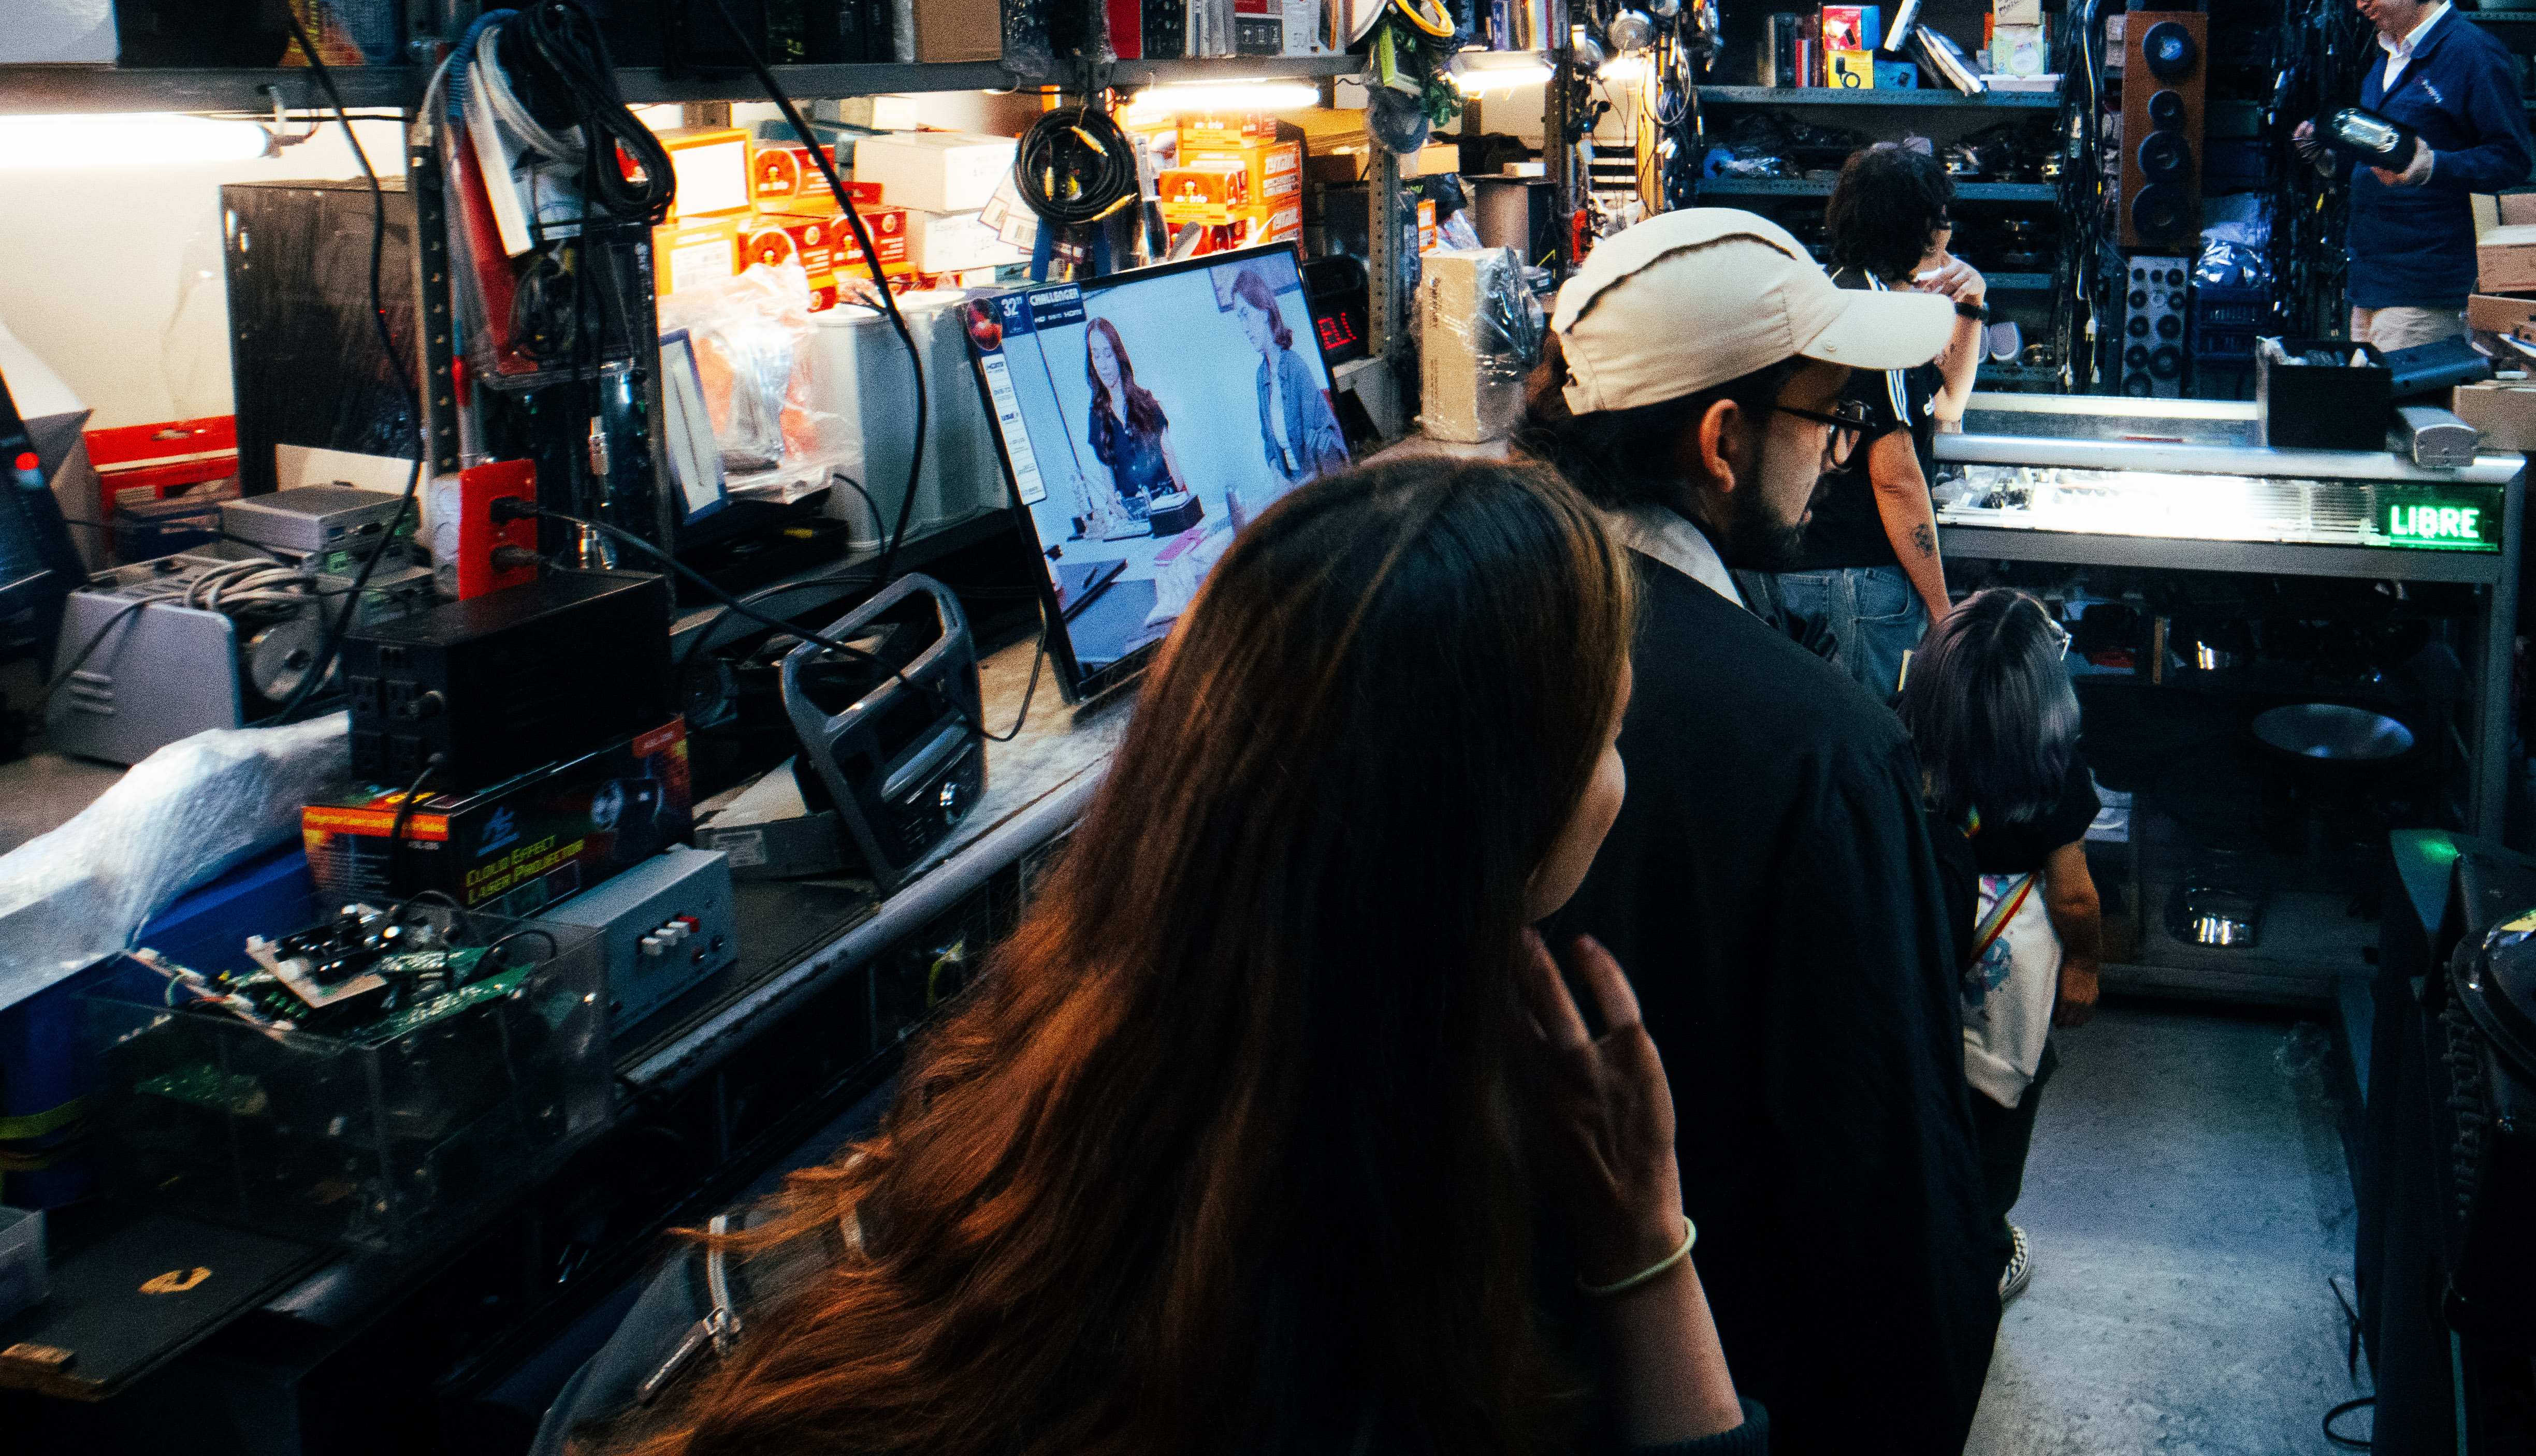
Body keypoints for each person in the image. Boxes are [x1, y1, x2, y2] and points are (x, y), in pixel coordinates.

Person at [544, 456, 1766, 1456]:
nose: (1624, 772)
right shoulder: (1389, 1342)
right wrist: (1646, 1248)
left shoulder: (854, 1228)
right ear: (1485, 833)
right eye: (1607, 733)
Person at [1513, 208, 2003, 1456]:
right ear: (1722, 440)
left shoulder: (1465, 634)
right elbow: (1893, 1214)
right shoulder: (1821, 754)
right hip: (1726, 1385)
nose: (1841, 453)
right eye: (1828, 416)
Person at [1900, 590, 2102, 1306]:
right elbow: (2073, 893)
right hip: (2009, 965)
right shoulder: (2054, 773)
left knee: (1924, 1091)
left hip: (1921, 940)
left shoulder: (1903, 739)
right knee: (2000, 1106)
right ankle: (1983, 1253)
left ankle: (1915, 1237)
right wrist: (2083, 964)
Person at [1743, 141, 1985, 702]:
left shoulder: (1838, 293)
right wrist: (1942, 609)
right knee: (1869, 744)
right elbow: (1895, 477)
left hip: (1808, 572)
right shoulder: (1876, 320)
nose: (1948, 232)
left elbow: (1948, 405)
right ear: (1923, 227)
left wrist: (1972, 302)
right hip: (1855, 585)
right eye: (1943, 219)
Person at [2291, 0, 2536, 350]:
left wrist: (2434, 167)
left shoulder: (2472, 52)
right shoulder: (2385, 59)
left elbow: (2512, 159)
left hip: (2425, 286)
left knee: (2398, 410)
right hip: (2371, 282)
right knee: (2369, 407)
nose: (2361, 3)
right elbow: (2375, 159)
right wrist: (2327, 157)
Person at [1223, 258, 1349, 484]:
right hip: (1293, 482)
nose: (1243, 327)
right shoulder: (1261, 376)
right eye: (1239, 318)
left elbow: (1320, 440)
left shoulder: (1295, 366)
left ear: (1263, 310)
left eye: (1245, 314)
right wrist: (1279, 479)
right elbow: (1268, 442)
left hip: (1319, 482)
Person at [1081, 316, 1201, 531]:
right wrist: (1118, 511)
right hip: (1134, 521)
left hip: (1168, 509)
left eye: (1108, 355)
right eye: (1096, 356)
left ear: (1119, 356)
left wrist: (1183, 505)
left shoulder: (1146, 401)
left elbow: (1170, 458)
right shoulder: (1097, 417)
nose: (1103, 365)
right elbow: (1108, 483)